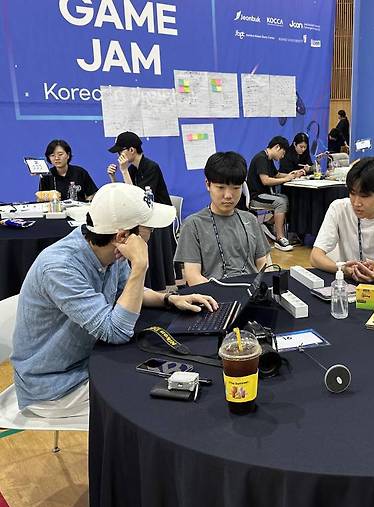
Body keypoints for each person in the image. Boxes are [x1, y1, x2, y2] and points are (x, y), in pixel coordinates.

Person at [10, 183, 217, 417]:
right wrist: (140, 266)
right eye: (148, 227)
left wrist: (169, 299)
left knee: (172, 371)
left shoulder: (109, 248)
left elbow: (125, 291)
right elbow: (116, 331)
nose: (152, 233)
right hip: (55, 384)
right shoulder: (60, 267)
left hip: (92, 358)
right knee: (163, 401)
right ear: (123, 236)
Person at [174, 152, 270, 285]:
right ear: (208, 184)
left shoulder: (250, 220)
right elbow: (193, 277)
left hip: (252, 293)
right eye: (221, 188)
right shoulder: (193, 225)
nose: (228, 195)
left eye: (236, 188)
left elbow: (263, 265)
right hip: (213, 298)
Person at [246, 136, 305, 251]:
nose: (282, 156)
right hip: (256, 197)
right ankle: (280, 238)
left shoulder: (268, 159)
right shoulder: (261, 158)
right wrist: (286, 179)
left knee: (286, 199)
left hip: (264, 194)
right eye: (283, 153)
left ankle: (269, 223)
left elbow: (276, 175)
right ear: (277, 147)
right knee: (280, 202)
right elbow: (266, 180)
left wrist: (292, 175)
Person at [107, 131, 172, 205]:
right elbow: (125, 194)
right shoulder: (132, 168)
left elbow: (139, 200)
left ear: (131, 150)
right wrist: (113, 177)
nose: (118, 156)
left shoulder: (151, 168)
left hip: (161, 213)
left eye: (119, 152)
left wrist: (124, 170)